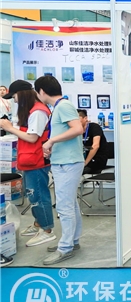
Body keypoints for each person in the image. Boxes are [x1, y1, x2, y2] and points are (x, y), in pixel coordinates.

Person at [34, 75, 85, 265]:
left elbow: (77, 129)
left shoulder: (63, 106)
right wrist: (52, 146)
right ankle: (72, 241)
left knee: (64, 206)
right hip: (64, 161)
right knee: (70, 204)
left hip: (68, 163)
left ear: (41, 91)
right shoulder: (59, 107)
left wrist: (51, 141)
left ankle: (65, 248)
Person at [0, 80, 55, 248]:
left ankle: (47, 230)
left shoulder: (38, 111)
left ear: (22, 94)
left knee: (38, 195)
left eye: (14, 96)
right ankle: (39, 223)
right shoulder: (32, 110)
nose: (14, 100)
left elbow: (32, 138)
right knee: (33, 194)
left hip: (37, 160)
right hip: (29, 159)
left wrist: (10, 128)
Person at [77, 109, 109, 175]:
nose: (75, 122)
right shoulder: (75, 130)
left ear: (85, 118)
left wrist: (85, 163)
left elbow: (95, 146)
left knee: (75, 171)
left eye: (77, 119)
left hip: (97, 159)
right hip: (82, 158)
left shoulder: (94, 127)